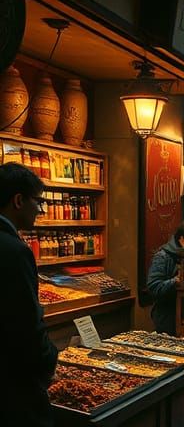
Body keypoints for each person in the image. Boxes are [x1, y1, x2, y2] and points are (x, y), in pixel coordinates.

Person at [0, 163, 58, 427]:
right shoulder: (15, 250)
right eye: (38, 201)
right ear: (18, 200)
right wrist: (49, 360)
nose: (40, 210)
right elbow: (26, 323)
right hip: (14, 384)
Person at [147, 220, 184, 335]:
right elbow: (153, 287)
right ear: (181, 238)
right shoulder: (163, 257)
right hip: (168, 316)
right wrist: (175, 281)